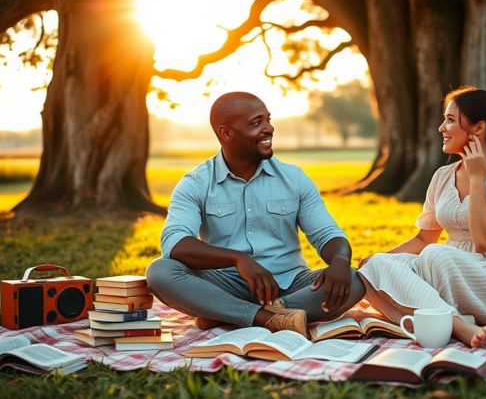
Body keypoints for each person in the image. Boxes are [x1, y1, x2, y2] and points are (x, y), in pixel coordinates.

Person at [146, 92, 365, 337]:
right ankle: (266, 318)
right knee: (160, 271)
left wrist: (339, 261)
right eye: (256, 123)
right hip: (224, 286)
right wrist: (239, 259)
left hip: (291, 285)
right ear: (226, 133)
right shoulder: (195, 183)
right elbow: (174, 243)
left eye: (268, 120)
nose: (268, 129)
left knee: (356, 278)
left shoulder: (294, 178)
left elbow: (327, 234)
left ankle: (228, 315)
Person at [358, 86, 486, 348]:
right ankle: (457, 323)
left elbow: (485, 241)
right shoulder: (442, 176)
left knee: (434, 254)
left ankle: (442, 317)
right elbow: (423, 239)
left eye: (450, 120)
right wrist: (382, 258)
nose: (442, 127)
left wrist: (477, 178)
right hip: (448, 275)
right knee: (375, 267)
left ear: (478, 129)